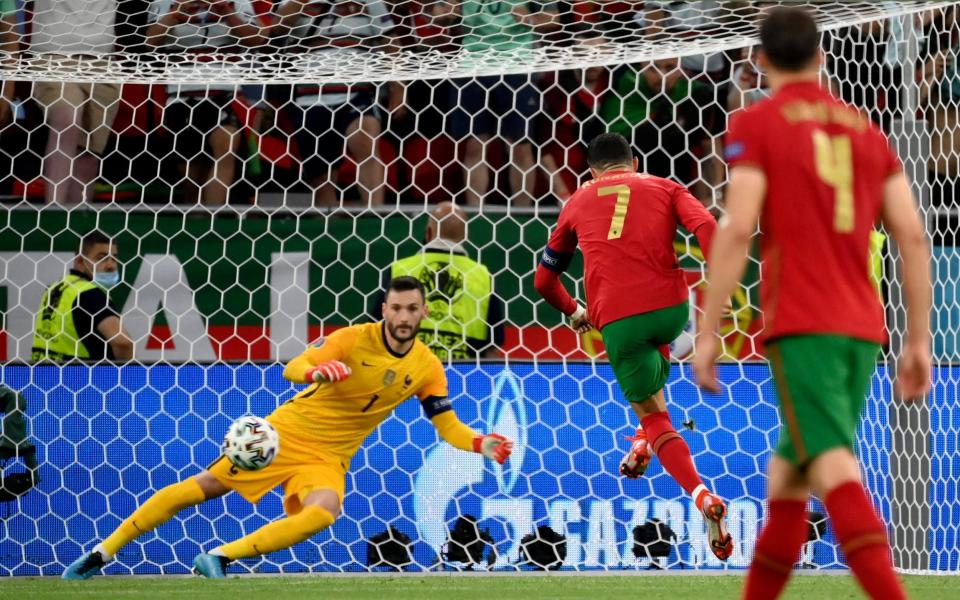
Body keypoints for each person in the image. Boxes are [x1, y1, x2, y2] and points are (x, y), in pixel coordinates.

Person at [693, 8, 931, 600]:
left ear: (762, 60)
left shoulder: (759, 122)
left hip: (804, 326)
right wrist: (919, 338)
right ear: (822, 58)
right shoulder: (864, 128)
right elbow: (912, 234)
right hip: (864, 330)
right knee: (788, 480)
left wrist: (707, 329)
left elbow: (738, 225)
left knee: (831, 468)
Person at [62, 276, 514, 580]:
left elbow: (447, 425)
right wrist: (317, 373)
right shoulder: (351, 338)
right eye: (395, 307)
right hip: (288, 433)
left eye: (411, 309)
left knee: (322, 512)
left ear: (424, 312)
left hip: (330, 457)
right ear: (384, 308)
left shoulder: (428, 366)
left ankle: (220, 557)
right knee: (205, 485)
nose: (402, 317)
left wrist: (481, 442)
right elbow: (294, 366)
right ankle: (103, 552)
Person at [533, 132, 733, 561]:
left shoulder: (577, 203)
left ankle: (702, 497)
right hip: (672, 308)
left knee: (655, 415)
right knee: (655, 359)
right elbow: (708, 225)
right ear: (634, 162)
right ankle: (641, 444)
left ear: (590, 171)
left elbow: (543, 281)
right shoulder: (663, 186)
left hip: (618, 319)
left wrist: (573, 311)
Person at [273, 0, 393, 207]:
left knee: (366, 144)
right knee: (321, 172)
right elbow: (277, 28)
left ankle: (375, 213)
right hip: (310, 94)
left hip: (357, 88)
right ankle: (327, 223)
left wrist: (399, 88)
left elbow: (389, 40)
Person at [146, 0, 267, 205]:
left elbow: (257, 39)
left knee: (226, 149)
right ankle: (195, 223)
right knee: (192, 176)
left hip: (224, 94)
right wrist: (177, 13)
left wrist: (227, 12)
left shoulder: (237, 1)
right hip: (181, 95)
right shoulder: (164, 2)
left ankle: (213, 219)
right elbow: (149, 41)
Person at [447, 0, 558, 206]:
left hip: (517, 63)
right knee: (473, 146)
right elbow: (440, 12)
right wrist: (448, 11)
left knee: (520, 146)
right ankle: (475, 216)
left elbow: (554, 17)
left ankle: (522, 217)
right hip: (472, 63)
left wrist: (531, 19)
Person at [369, 202, 504, 361]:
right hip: (462, 376)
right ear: (464, 237)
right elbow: (493, 347)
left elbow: (375, 330)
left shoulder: (399, 269)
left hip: (406, 371)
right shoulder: (483, 276)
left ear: (429, 232)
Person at [30, 0, 121, 205]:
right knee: (67, 120)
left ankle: (77, 223)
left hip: (102, 60)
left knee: (88, 152)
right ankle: (53, 214)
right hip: (54, 54)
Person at [32, 231, 134, 363]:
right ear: (80, 261)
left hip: (43, 373)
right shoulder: (89, 294)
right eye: (102, 258)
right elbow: (123, 342)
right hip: (82, 378)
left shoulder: (55, 287)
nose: (111, 265)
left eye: (114, 258)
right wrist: (127, 374)